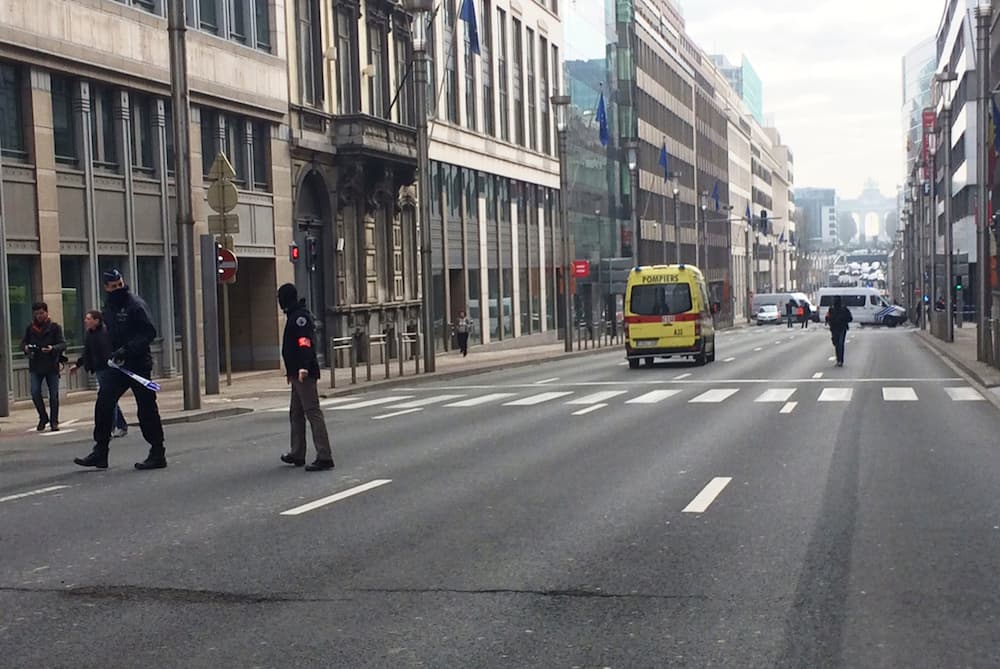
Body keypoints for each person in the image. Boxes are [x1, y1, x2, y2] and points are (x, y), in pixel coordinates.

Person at [74, 269, 165, 470]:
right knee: (104, 404)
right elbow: (107, 333)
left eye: (119, 285)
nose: (118, 289)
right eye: (113, 286)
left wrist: (127, 349)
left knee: (147, 408)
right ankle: (100, 451)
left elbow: (149, 332)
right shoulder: (109, 307)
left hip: (138, 365)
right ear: (106, 287)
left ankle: (158, 452)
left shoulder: (135, 305)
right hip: (118, 366)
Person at [277, 283, 334, 471]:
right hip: (296, 373)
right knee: (296, 413)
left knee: (312, 412)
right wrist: (291, 371)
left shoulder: (299, 318)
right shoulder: (294, 315)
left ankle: (324, 456)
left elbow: (304, 343)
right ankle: (297, 452)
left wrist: (303, 367)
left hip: (304, 373)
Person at [70, 310, 129, 439]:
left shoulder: (105, 333)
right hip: (99, 369)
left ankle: (110, 428)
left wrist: (114, 363)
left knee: (108, 398)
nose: (86, 321)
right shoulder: (90, 334)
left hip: (109, 369)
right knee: (109, 398)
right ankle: (121, 425)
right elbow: (87, 352)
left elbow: (110, 351)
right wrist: (78, 364)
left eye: (88, 319)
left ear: (96, 321)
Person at [20, 302, 66, 432]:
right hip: (36, 365)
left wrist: (52, 348)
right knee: (35, 392)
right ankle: (43, 417)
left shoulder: (55, 327)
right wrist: (26, 348)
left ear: (46, 313)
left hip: (51, 365)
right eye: (36, 314)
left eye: (41, 313)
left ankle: (54, 422)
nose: (39, 316)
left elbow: (63, 344)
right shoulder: (30, 328)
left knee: (53, 395)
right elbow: (23, 342)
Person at [826, 295, 853, 367]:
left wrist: (842, 320)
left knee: (839, 344)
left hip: (840, 328)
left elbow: (850, 318)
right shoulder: (832, 309)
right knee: (838, 344)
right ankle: (839, 360)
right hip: (836, 328)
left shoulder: (843, 309)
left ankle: (840, 360)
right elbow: (827, 318)